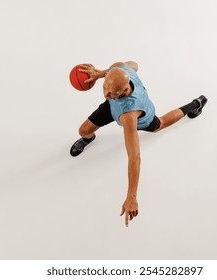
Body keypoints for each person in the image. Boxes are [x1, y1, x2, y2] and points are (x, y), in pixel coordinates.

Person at [70, 61, 207, 227]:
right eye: (105, 88)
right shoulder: (120, 70)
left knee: (161, 123)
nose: (105, 94)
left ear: (125, 91)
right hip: (114, 106)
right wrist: (101, 73)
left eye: (110, 93)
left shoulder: (129, 116)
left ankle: (195, 105)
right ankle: (88, 138)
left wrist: (132, 196)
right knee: (83, 130)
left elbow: (134, 156)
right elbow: (134, 64)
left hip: (142, 116)